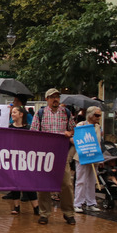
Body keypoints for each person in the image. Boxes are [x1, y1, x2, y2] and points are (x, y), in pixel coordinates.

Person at [30, 88, 76, 225]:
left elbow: (73, 129)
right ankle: (44, 213)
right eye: (52, 97)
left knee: (66, 184)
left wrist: (69, 133)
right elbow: (33, 132)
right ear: (47, 99)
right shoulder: (40, 113)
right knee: (44, 185)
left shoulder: (66, 113)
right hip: (45, 154)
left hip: (61, 154)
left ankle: (69, 213)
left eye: (57, 97)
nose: (55, 99)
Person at [7, 105, 39, 215]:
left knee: (28, 182)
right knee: (14, 182)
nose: (12, 114)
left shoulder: (29, 128)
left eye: (15, 112)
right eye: (12, 112)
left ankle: (36, 206)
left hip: (26, 159)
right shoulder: (9, 127)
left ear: (21, 114)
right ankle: (16, 206)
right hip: (13, 158)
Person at [74, 106, 103, 213]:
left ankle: (91, 202)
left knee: (92, 180)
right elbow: (76, 140)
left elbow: (99, 143)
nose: (99, 117)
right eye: (97, 115)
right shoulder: (81, 125)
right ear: (90, 115)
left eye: (99, 115)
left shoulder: (98, 127)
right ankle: (78, 203)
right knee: (81, 180)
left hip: (94, 157)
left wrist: (100, 159)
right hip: (82, 156)